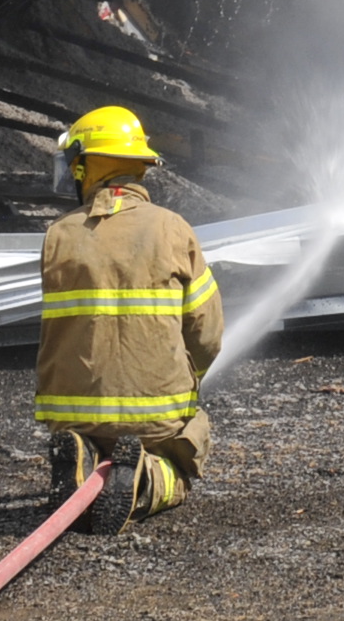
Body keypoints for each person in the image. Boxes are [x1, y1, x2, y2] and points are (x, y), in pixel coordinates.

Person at [36, 105, 223, 534]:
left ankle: (85, 455)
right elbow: (207, 333)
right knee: (184, 461)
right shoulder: (174, 229)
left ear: (89, 166)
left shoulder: (58, 236)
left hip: (73, 414)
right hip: (154, 422)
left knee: (95, 441)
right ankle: (145, 479)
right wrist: (186, 377)